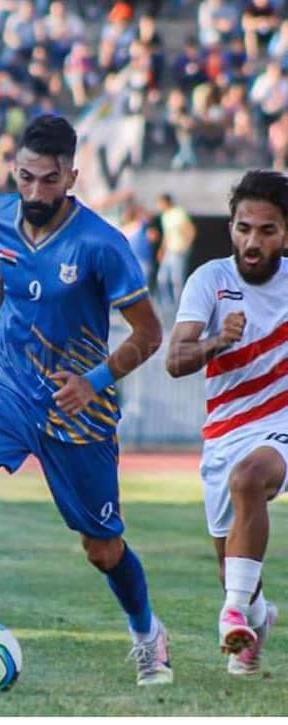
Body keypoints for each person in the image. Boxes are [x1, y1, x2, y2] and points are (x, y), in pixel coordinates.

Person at [0, 114, 172, 686]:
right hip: (10, 386)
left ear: (72, 177)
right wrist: (6, 336)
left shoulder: (102, 245)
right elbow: (9, 278)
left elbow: (149, 334)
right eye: (25, 177)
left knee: (102, 549)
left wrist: (93, 381)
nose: (36, 192)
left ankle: (148, 635)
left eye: (49, 180)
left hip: (77, 406)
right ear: (12, 171)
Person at [166, 169, 288, 676]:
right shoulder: (209, 280)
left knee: (249, 479)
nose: (252, 242)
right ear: (232, 227)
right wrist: (218, 341)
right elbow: (175, 360)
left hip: (280, 423)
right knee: (230, 563)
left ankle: (233, 612)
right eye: (243, 228)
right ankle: (254, 615)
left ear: (286, 233)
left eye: (267, 230)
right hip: (224, 431)